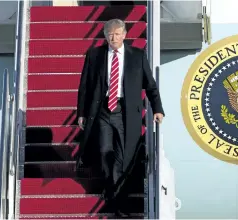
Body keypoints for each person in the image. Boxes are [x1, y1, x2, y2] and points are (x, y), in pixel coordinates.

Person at [76, 18, 164, 217]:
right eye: (109, 34)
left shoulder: (137, 56)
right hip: (102, 111)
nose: (113, 38)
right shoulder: (94, 55)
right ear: (105, 35)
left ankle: (117, 194)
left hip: (126, 111)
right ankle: (112, 196)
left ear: (124, 35)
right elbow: (84, 86)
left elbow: (150, 85)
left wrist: (157, 109)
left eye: (117, 34)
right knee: (105, 151)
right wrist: (81, 112)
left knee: (122, 158)